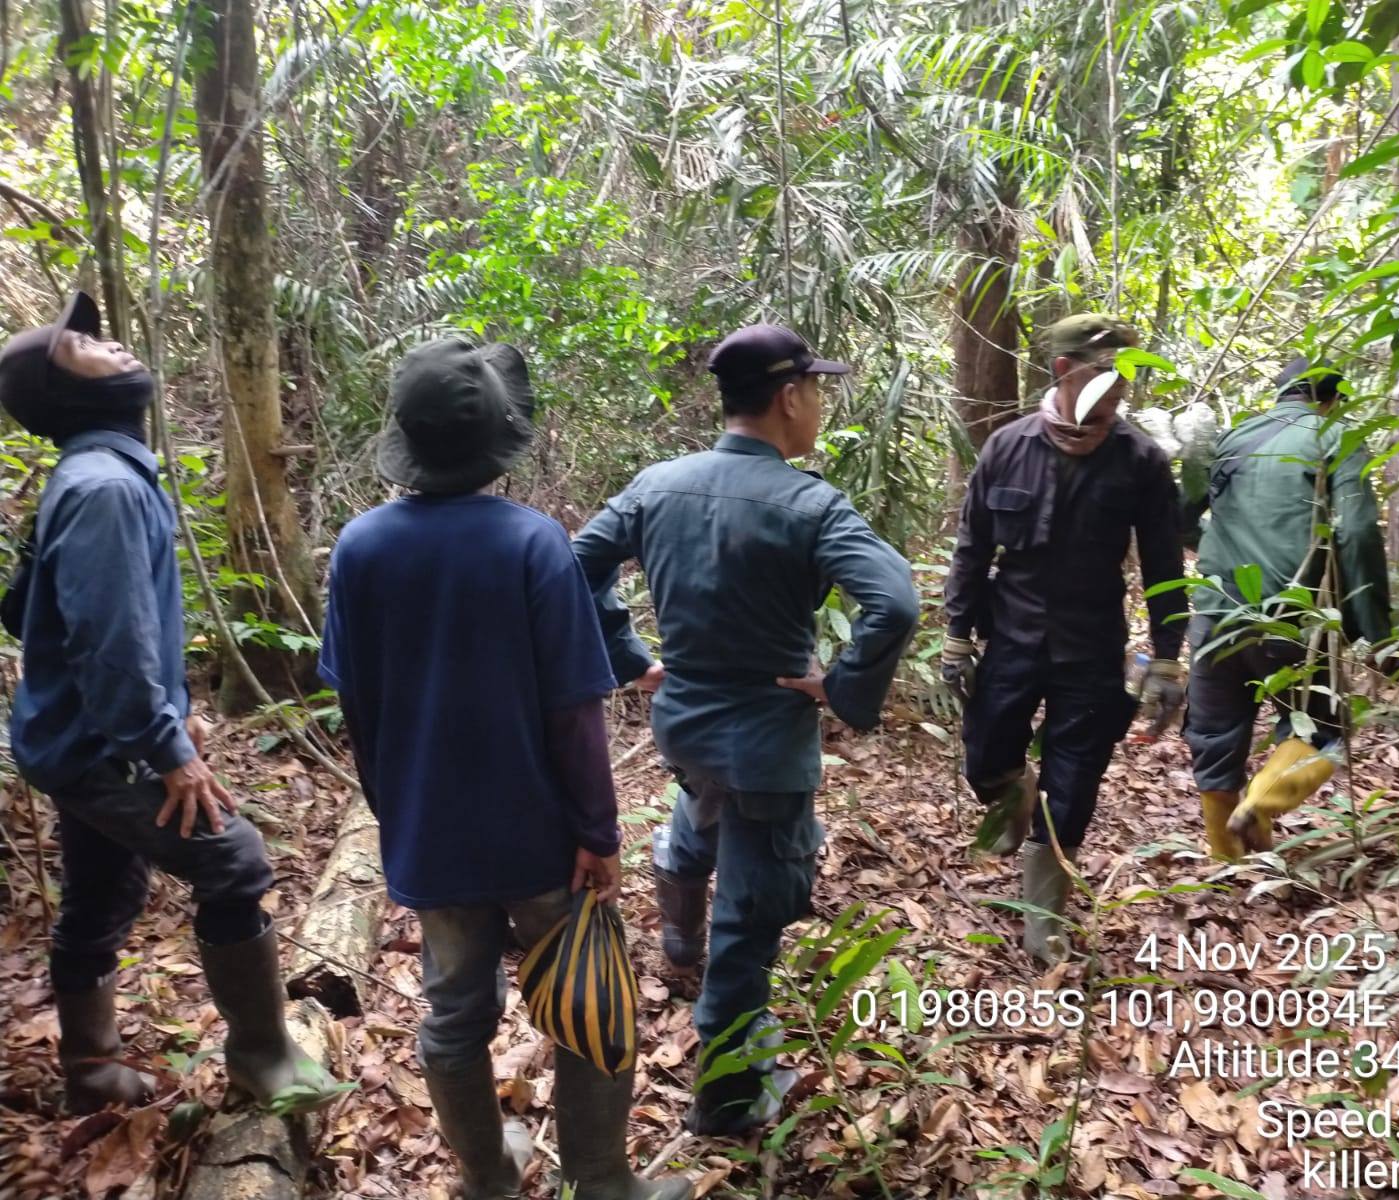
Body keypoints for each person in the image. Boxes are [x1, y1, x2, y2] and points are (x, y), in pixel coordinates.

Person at [318, 339, 689, 1200]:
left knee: (452, 1009)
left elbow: (357, 710)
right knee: (592, 997)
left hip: (433, 836)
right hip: (542, 839)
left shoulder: (360, 548)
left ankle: (487, 1177)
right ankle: (601, 1182)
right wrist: (599, 831)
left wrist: (394, 812)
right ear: (495, 441)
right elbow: (572, 709)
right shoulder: (531, 543)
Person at [571, 324, 918, 1137]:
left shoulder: (659, 483)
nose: (821, 404)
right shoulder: (809, 503)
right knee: (752, 919)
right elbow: (895, 601)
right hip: (766, 745)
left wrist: (629, 654)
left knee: (701, 805)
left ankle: (678, 934)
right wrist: (843, 688)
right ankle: (725, 1101)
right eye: (818, 390)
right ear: (790, 397)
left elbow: (572, 565)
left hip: (684, 724)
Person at [0, 292, 339, 1117]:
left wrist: (170, 704)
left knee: (103, 891)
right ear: (61, 392)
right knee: (235, 859)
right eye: (80, 343)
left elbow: (35, 612)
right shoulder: (105, 488)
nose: (109, 343)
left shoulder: (97, 476)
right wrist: (166, 746)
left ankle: (89, 1069)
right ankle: (263, 1058)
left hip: (77, 735)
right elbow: (105, 645)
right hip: (96, 745)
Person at [942, 314, 1188, 965]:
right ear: (1062, 371)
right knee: (986, 761)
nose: (1117, 392)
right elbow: (972, 547)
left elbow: (1165, 567)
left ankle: (1042, 927)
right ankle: (1012, 797)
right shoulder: (1007, 447)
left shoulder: (1140, 461)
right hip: (1012, 640)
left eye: (1124, 379)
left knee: (1073, 789)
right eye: (1104, 376)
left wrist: (1166, 657)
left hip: (1092, 650)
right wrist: (957, 636)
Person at [1182, 358, 1390, 860]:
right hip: (1290, 614)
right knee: (1324, 736)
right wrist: (1375, 631)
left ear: (1280, 395)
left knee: (1214, 740)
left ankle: (1226, 866)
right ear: (1332, 398)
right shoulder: (1335, 435)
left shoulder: (1232, 439)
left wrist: (1218, 552)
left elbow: (1180, 514)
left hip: (1214, 611)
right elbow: (1357, 531)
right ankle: (1263, 801)